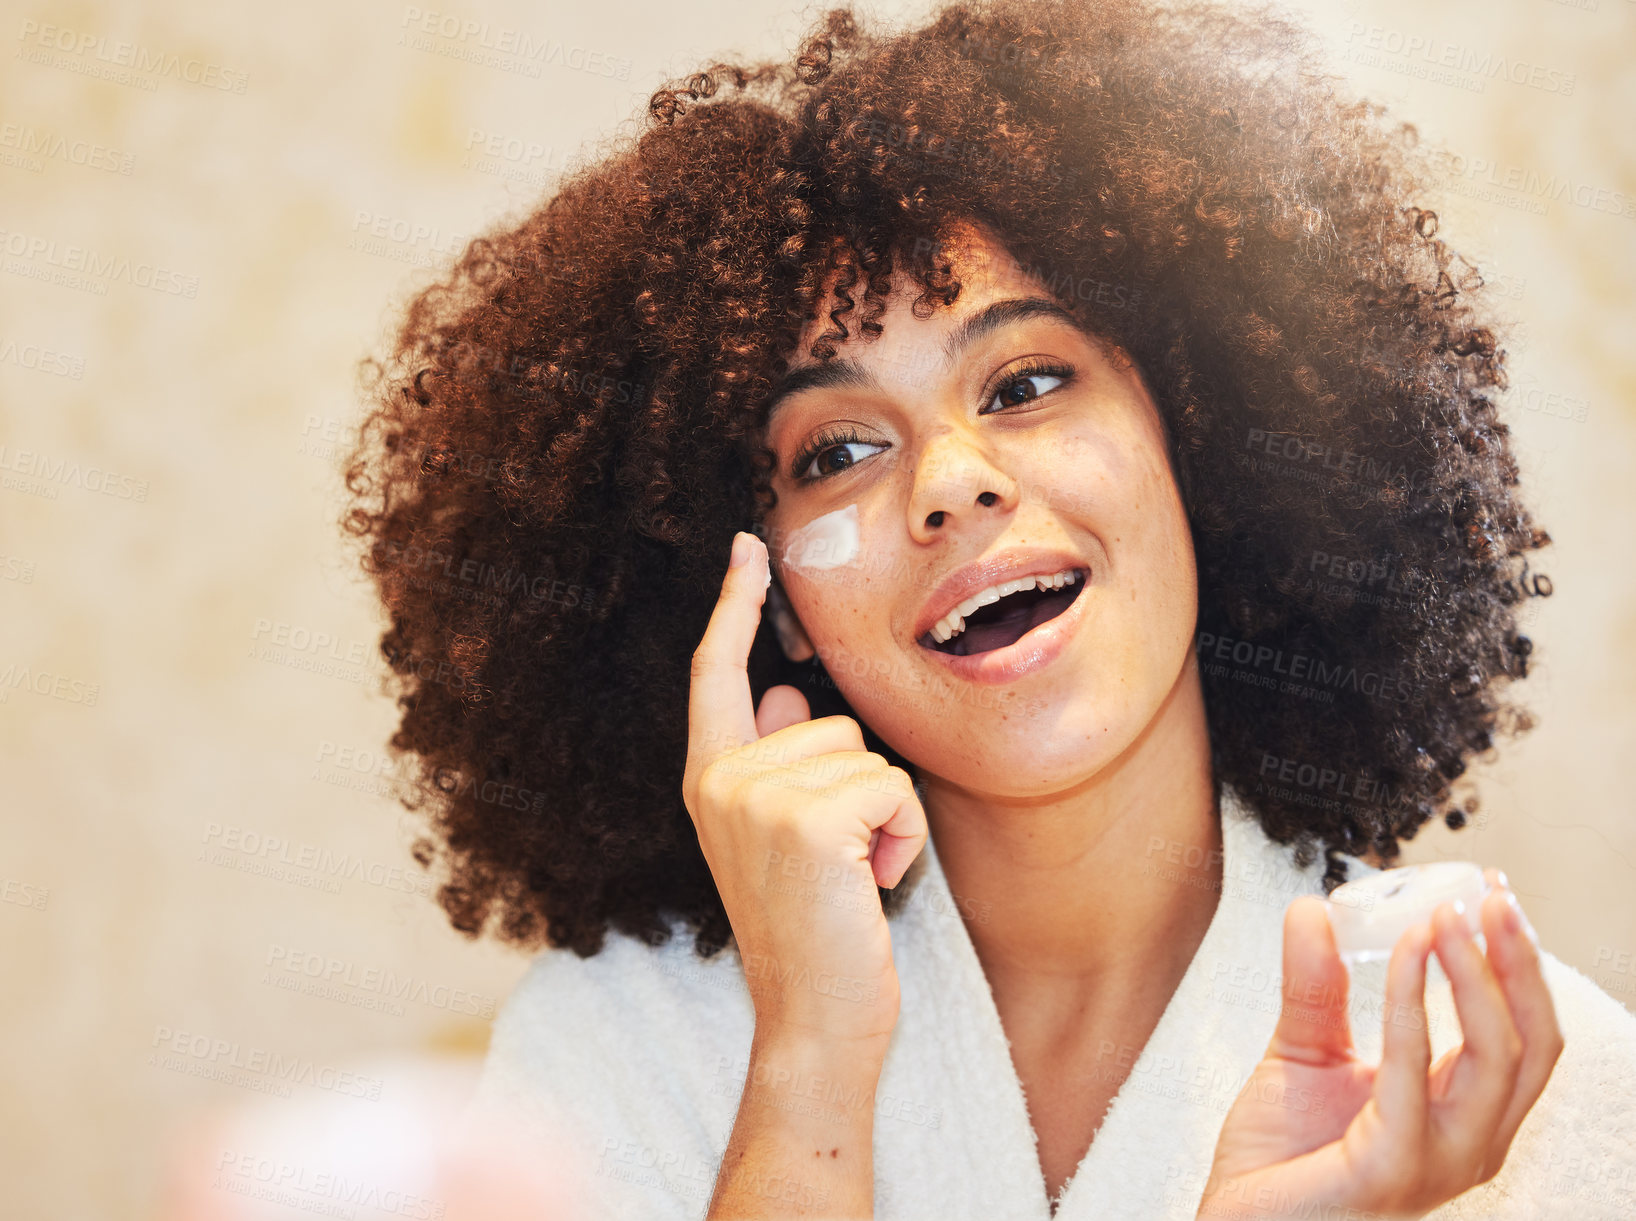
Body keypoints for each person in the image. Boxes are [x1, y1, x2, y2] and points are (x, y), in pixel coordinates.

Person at [337, 0, 1636, 1217]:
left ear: (1200, 437)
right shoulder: (628, 1041)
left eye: (1024, 382)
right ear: (771, 598)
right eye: (836, 454)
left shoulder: (1502, 1069)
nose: (953, 482)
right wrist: (808, 1057)